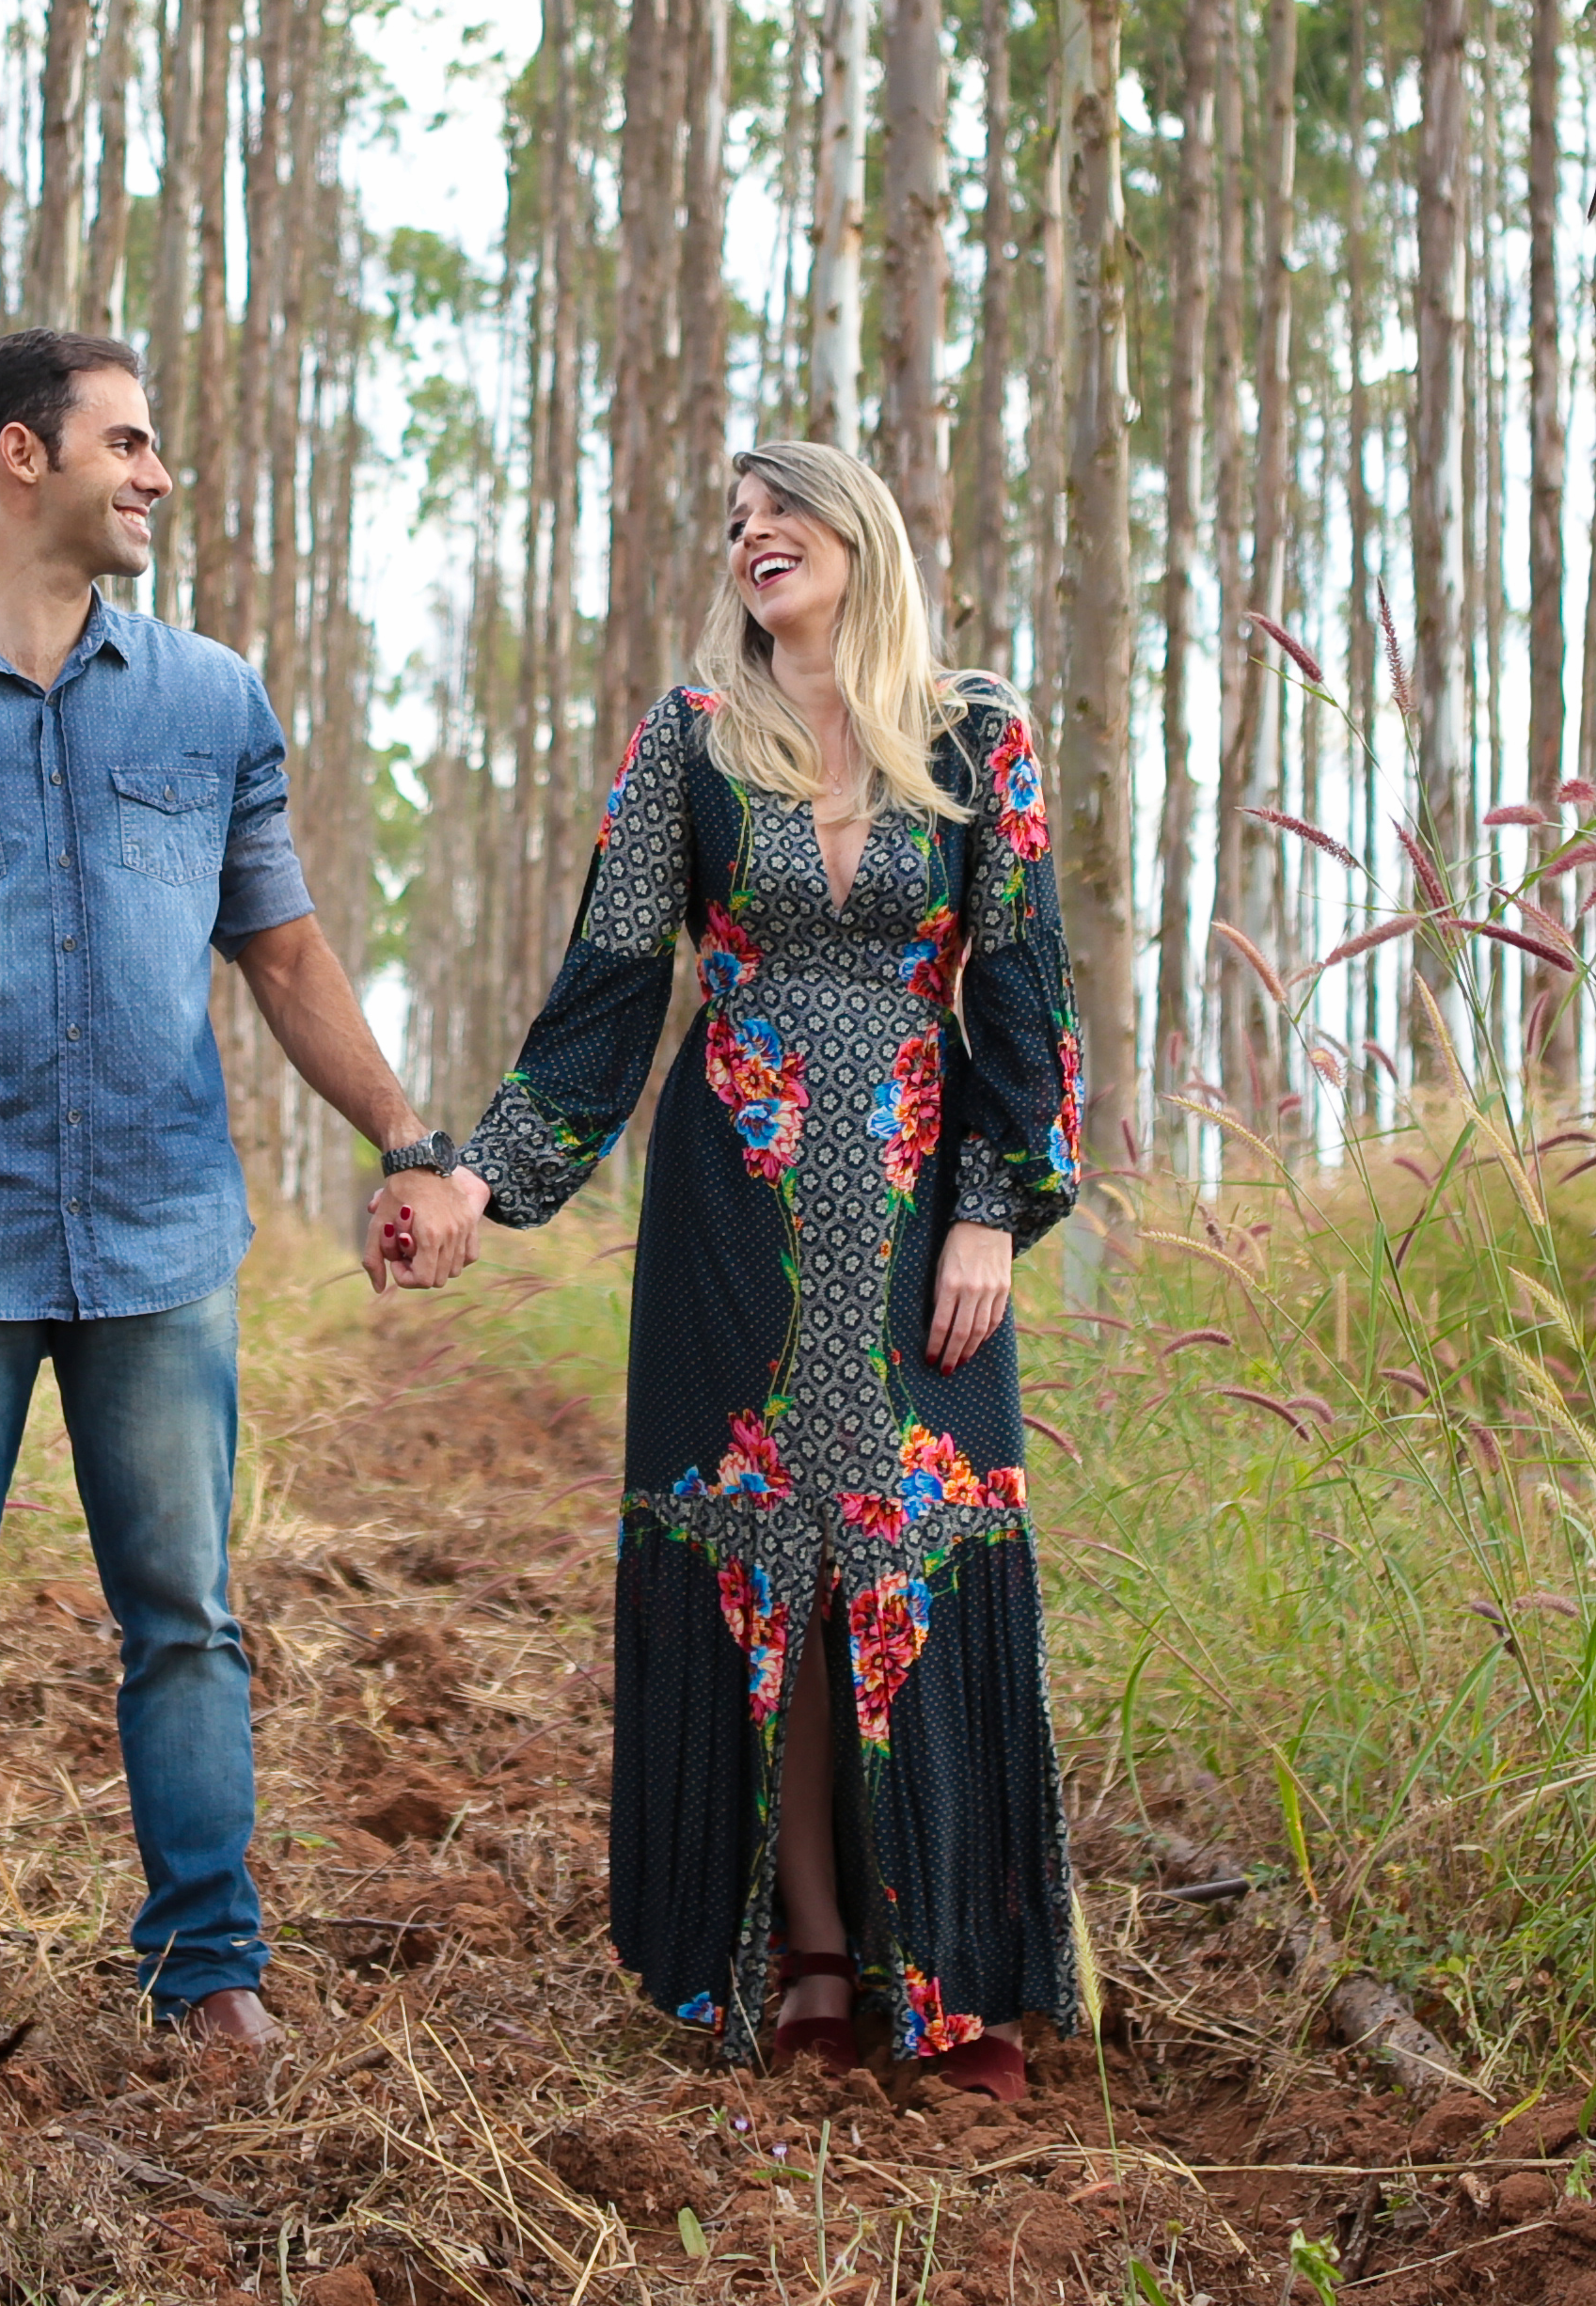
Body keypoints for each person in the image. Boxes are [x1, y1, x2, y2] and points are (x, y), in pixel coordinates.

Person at [0, 327, 457, 2067]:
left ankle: (211, 1970)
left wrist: (409, 1137)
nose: (155, 474)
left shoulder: (210, 702)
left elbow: (284, 955)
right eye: (127, 444)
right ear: (23, 456)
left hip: (158, 1234)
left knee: (188, 1617)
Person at [368, 439, 1082, 2096]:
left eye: (787, 513)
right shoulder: (688, 744)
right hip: (733, 1221)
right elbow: (610, 992)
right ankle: (814, 1951)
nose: (756, 537)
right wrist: (479, 1178)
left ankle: (958, 1973)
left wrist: (994, 1204)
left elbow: (1026, 991)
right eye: (736, 522)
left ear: (860, 538)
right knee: (778, 1563)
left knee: (915, 1548)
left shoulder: (977, 733)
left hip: (920, 1221)